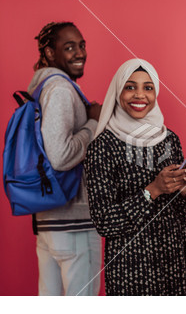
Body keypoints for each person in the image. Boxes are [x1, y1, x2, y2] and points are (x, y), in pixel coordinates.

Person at [85, 59, 186, 296]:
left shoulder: (169, 139)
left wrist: (184, 189)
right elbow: (104, 222)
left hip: (176, 258)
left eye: (148, 87)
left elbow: (185, 212)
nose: (140, 95)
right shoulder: (102, 147)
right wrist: (153, 190)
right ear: (118, 91)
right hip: (132, 266)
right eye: (130, 87)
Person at [29, 21, 102, 296]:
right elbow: (59, 156)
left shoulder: (43, 88)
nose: (79, 53)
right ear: (49, 53)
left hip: (50, 220)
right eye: (69, 47)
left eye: (82, 45)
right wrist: (93, 123)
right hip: (73, 224)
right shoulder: (59, 89)